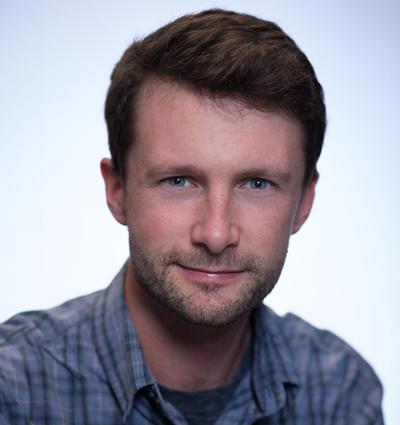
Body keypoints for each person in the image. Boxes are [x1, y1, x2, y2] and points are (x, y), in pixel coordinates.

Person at [0, 8, 383, 425]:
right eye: (179, 181)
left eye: (256, 184)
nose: (216, 234)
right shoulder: (15, 388)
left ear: (304, 202)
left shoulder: (341, 392)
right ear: (117, 190)